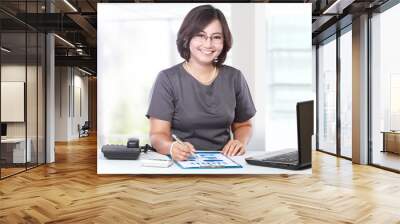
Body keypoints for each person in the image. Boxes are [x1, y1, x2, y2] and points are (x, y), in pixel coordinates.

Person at [146, 5, 256, 161]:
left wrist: (239, 141)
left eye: (216, 37)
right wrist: (171, 147)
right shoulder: (167, 79)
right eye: (200, 35)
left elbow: (244, 125)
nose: (208, 44)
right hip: (181, 164)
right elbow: (157, 134)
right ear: (187, 37)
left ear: (224, 41)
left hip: (225, 163)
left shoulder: (234, 77)